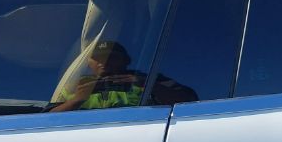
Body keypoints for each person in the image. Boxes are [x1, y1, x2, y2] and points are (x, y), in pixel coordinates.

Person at [51, 40, 198, 112]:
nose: (104, 62)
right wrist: (77, 100)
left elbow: (189, 103)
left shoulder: (149, 79)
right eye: (98, 58)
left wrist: (148, 86)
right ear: (89, 63)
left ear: (126, 60)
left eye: (112, 57)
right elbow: (49, 119)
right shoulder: (76, 86)